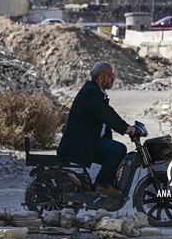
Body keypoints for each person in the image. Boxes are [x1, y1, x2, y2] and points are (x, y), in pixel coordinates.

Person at [57, 61, 137, 196]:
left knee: (119, 152)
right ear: (101, 78)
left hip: (89, 140)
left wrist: (127, 127)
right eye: (110, 75)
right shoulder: (91, 93)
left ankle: (106, 185)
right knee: (117, 149)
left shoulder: (96, 92)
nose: (113, 78)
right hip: (80, 144)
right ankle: (101, 184)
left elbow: (110, 112)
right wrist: (124, 130)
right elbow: (104, 115)